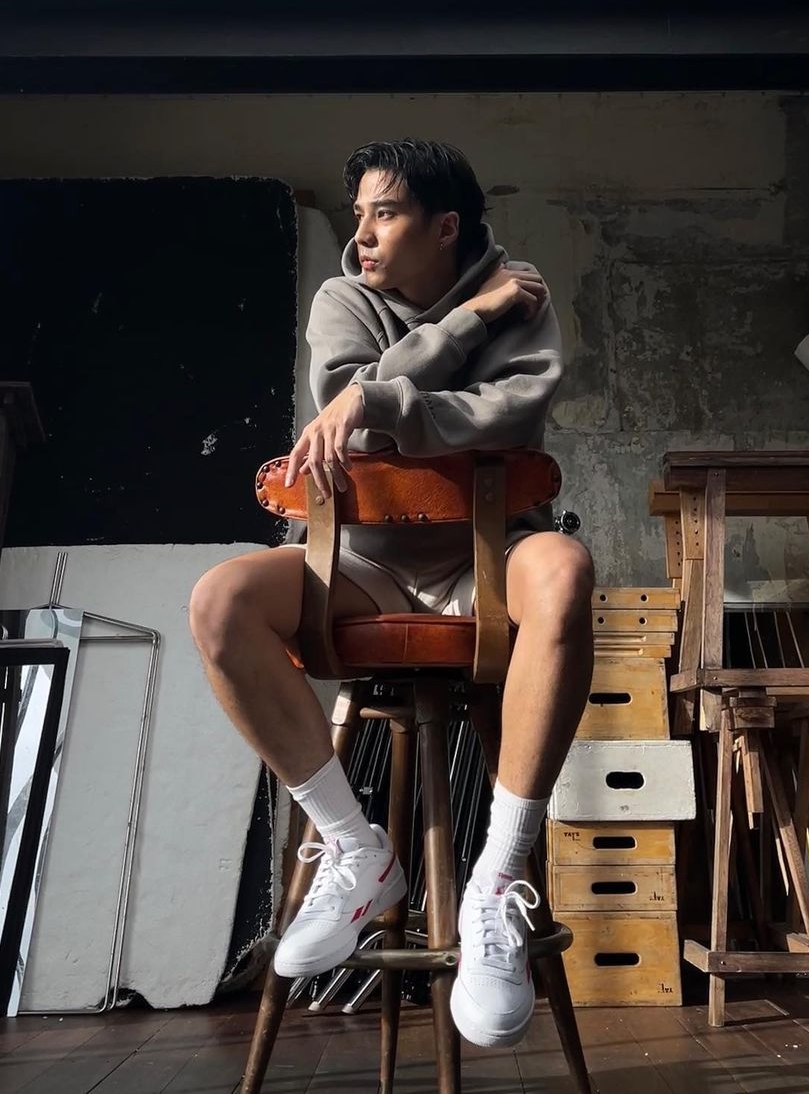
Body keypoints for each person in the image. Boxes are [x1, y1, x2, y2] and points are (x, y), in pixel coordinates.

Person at [190, 139, 595, 1049]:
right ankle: (356, 847)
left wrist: (381, 399)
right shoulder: (345, 300)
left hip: (485, 559)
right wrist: (466, 324)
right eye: (360, 214)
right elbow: (351, 421)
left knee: (567, 571)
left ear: (445, 227)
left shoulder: (522, 293)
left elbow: (510, 418)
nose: (363, 234)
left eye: (386, 213)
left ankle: (498, 875)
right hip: (359, 567)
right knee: (219, 602)